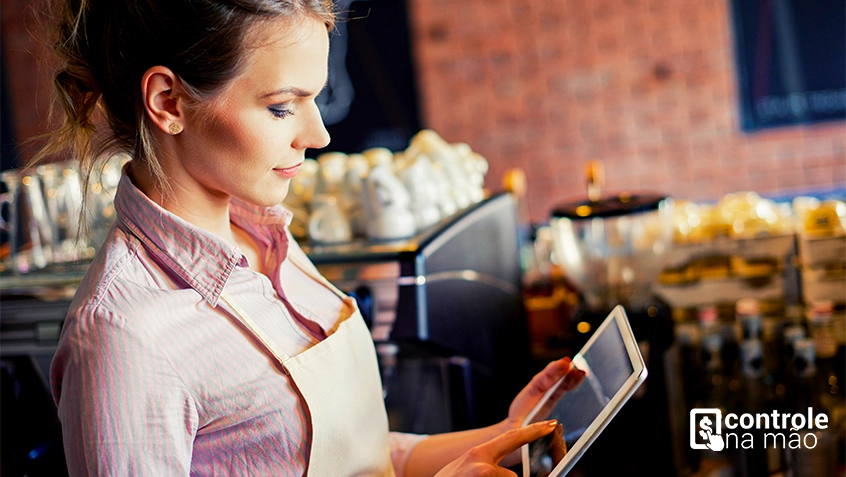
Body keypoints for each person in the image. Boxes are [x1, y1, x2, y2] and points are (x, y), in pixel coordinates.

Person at [38, 0, 585, 475]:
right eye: (281, 107)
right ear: (168, 102)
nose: (318, 134)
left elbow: (364, 457)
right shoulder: (124, 338)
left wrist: (506, 435)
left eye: (313, 100)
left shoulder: (267, 238)